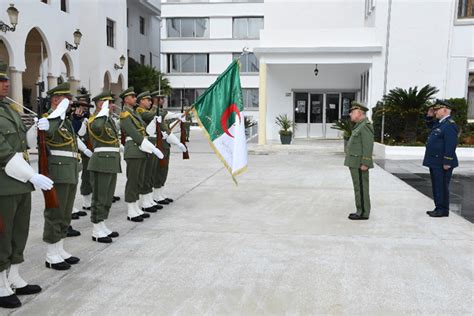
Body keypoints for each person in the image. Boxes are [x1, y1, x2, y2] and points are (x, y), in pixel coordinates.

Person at [0, 62, 53, 309]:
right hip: (4, 183)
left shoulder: (9, 109)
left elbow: (23, 144)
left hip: (19, 182)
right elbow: (3, 151)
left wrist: (35, 129)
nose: (6, 84)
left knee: (19, 231)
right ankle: (0, 284)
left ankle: (15, 277)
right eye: (1, 82)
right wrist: (31, 175)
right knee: (3, 233)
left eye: (6, 81)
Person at [41, 82, 85, 270]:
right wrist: (56, 114)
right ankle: (51, 253)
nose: (70, 101)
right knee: (55, 212)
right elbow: (48, 132)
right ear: (56, 100)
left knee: (66, 212)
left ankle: (59, 248)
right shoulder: (49, 119)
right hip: (58, 171)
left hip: (70, 169)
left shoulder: (65, 120)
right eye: (66, 98)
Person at [119, 87, 164, 222]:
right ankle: (131, 210)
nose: (135, 99)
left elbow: (143, 130)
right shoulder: (125, 115)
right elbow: (135, 134)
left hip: (141, 150)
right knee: (132, 181)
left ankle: (136, 206)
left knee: (139, 179)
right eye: (132, 97)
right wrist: (152, 148)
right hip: (133, 149)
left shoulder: (134, 113)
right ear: (126, 99)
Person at [87, 92, 121, 242]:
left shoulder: (108, 119)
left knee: (107, 197)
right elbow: (97, 128)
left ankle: (102, 224)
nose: (112, 105)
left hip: (111, 161)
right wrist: (102, 112)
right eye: (109, 102)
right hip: (101, 161)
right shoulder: (96, 119)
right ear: (100, 104)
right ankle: (96, 229)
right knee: (100, 197)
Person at [150, 91, 186, 204]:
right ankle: (155, 195)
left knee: (164, 169)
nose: (163, 100)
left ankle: (160, 193)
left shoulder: (161, 111)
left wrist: (177, 117)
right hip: (157, 144)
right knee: (158, 170)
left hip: (165, 143)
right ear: (155, 99)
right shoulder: (152, 111)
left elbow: (166, 118)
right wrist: (176, 116)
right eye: (161, 98)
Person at [423, 99, 458, 218]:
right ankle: (439, 207)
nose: (435, 112)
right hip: (435, 161)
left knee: (441, 186)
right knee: (437, 185)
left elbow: (451, 144)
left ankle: (443, 210)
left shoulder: (449, 125)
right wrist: (429, 115)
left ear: (444, 110)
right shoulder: (440, 123)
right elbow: (429, 125)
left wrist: (447, 161)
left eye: (437, 110)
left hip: (442, 162)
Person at [344, 102, 374, 220]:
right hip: (355, 162)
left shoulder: (365, 125)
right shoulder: (359, 125)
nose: (350, 114)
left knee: (361, 187)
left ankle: (363, 212)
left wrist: (365, 162)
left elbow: (368, 146)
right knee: (358, 187)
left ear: (360, 113)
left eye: (352, 112)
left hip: (360, 163)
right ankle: (360, 209)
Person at [135, 91, 162, 213]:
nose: (150, 102)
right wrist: (157, 107)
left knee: (151, 172)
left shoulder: (147, 111)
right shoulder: (140, 111)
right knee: (146, 173)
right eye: (148, 100)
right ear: (141, 101)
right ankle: (145, 201)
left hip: (152, 141)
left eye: (151, 100)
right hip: (146, 143)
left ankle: (149, 198)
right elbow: (151, 116)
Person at [71, 94, 93, 220]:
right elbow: (76, 134)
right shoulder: (73, 118)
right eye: (81, 106)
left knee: (83, 175)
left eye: (85, 107)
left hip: (86, 149)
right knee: (78, 177)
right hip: (78, 150)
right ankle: (83, 202)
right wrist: (77, 119)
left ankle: (76, 204)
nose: (83, 109)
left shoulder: (86, 117)